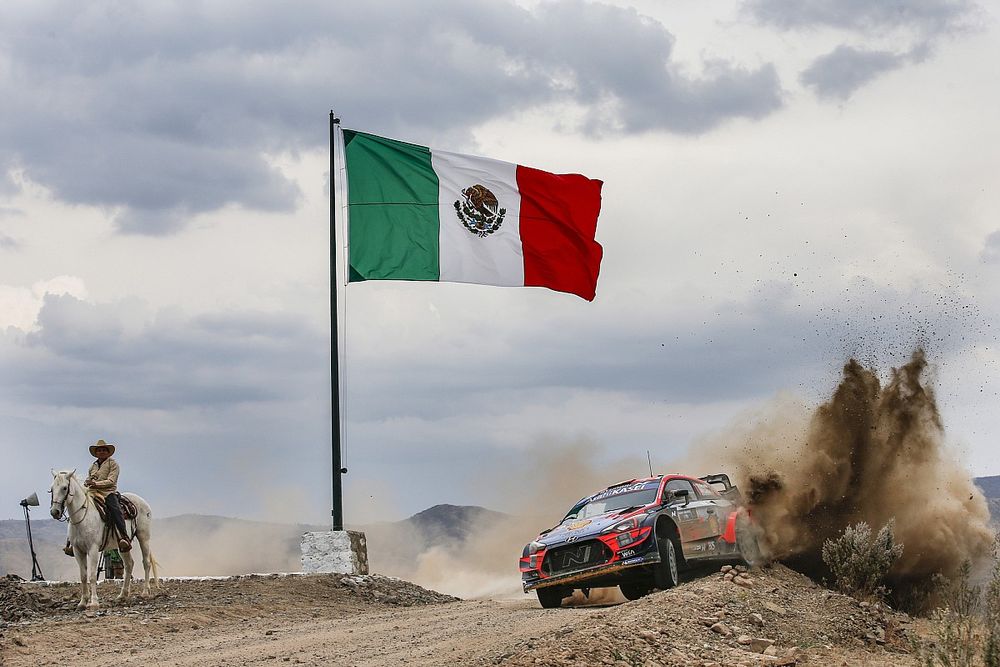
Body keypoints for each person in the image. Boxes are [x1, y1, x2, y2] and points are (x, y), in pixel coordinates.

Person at [63, 439, 131, 555]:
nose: (101, 452)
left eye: (104, 450)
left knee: (115, 510)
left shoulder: (113, 464)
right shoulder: (93, 466)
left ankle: (123, 537)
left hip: (108, 493)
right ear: (96, 453)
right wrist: (87, 483)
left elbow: (111, 480)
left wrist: (96, 484)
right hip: (92, 492)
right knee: (77, 509)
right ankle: (70, 542)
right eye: (99, 450)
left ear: (108, 452)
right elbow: (90, 478)